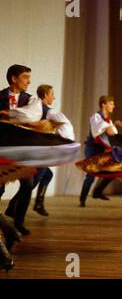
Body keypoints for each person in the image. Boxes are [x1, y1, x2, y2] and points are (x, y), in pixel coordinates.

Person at [0, 65, 37, 236]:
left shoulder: (31, 100)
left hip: (21, 149)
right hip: (2, 148)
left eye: (29, 77)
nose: (28, 81)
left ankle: (18, 221)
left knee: (28, 184)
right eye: (25, 77)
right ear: (14, 78)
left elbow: (32, 118)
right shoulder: (0, 96)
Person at [31, 84, 75, 216]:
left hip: (43, 148)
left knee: (47, 175)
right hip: (40, 150)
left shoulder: (42, 110)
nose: (54, 97)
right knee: (32, 182)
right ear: (45, 95)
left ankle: (38, 204)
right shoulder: (47, 111)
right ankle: (13, 207)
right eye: (52, 94)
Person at [79, 95, 118, 207]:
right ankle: (82, 199)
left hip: (102, 149)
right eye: (111, 103)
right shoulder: (96, 116)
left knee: (113, 171)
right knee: (91, 174)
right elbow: (96, 130)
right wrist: (107, 127)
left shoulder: (108, 120)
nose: (113, 106)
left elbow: (113, 134)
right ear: (103, 104)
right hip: (92, 149)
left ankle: (97, 191)